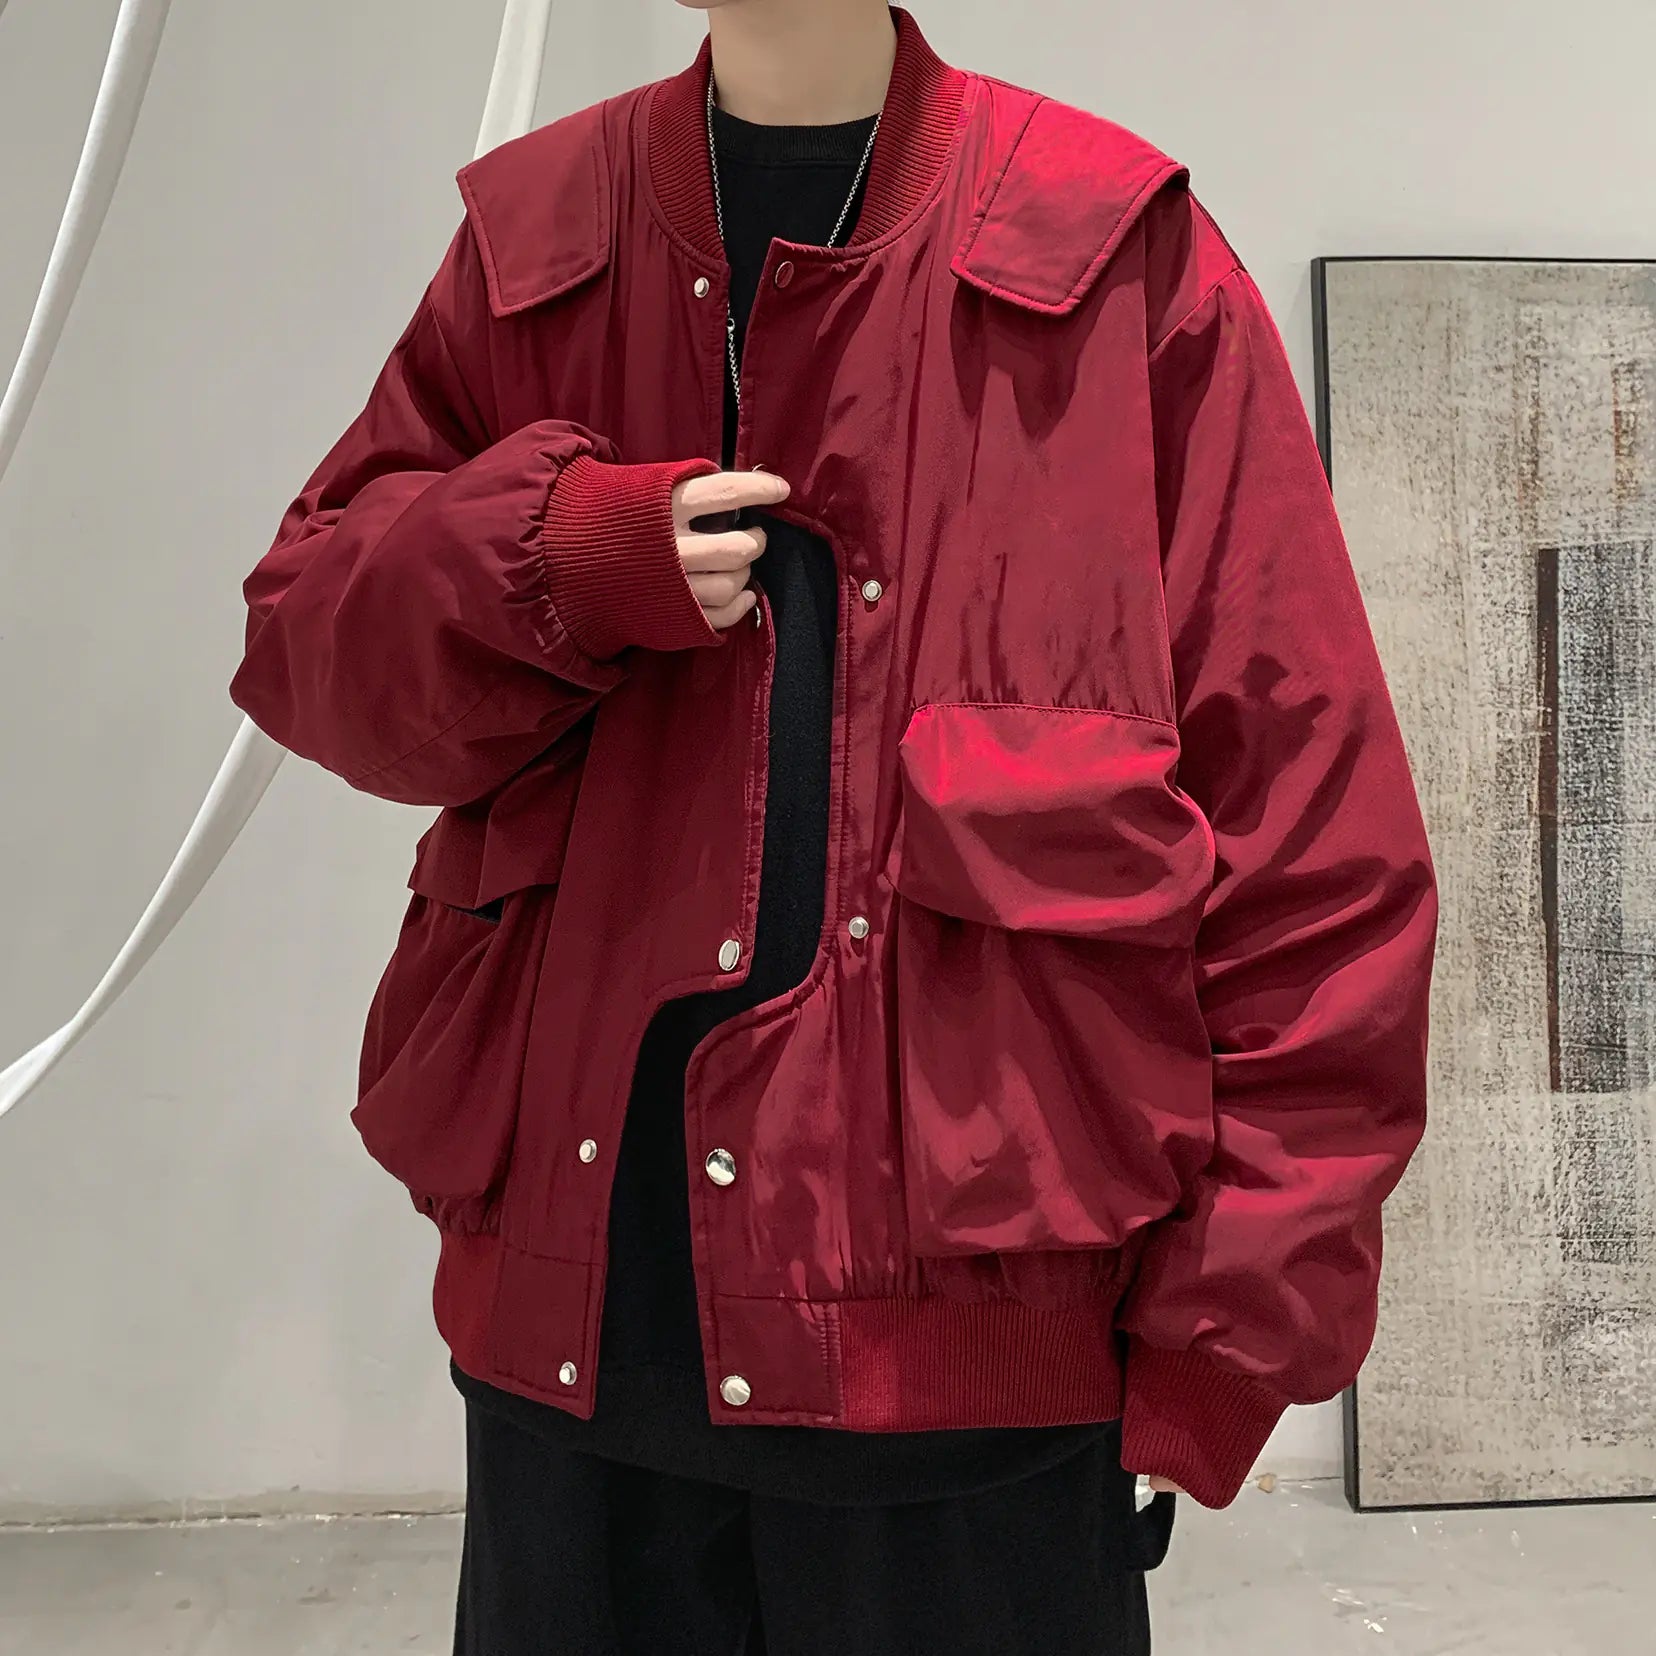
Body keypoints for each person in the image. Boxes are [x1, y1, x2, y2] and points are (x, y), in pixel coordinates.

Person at [228, 2, 1439, 1651]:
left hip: (975, 1379)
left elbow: (1315, 840)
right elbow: (309, 651)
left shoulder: (1108, 247)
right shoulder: (539, 236)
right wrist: (556, 557)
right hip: (579, 1351)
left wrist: (1226, 1338)